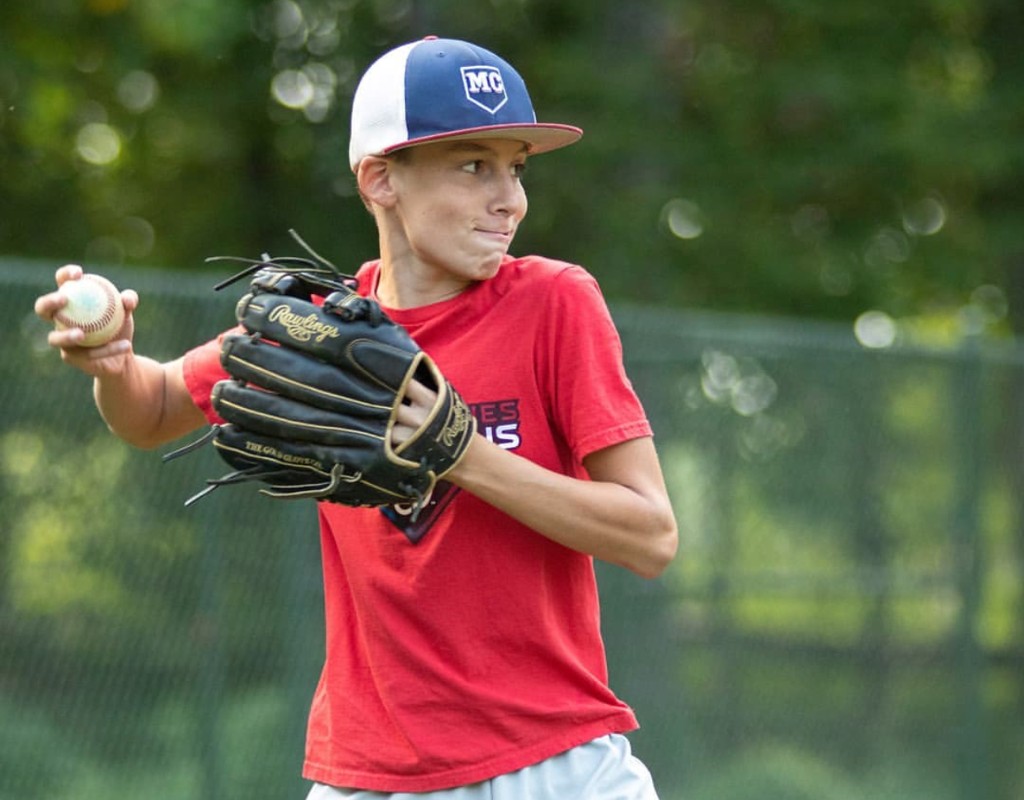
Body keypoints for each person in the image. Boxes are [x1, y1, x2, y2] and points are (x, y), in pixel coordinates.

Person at [35, 36, 678, 799]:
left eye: (516, 167)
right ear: (380, 178)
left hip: (552, 766)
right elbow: (153, 411)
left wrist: (462, 452)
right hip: (368, 775)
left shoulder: (553, 302)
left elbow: (650, 535)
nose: (510, 197)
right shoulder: (322, 335)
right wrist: (113, 367)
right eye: (475, 166)